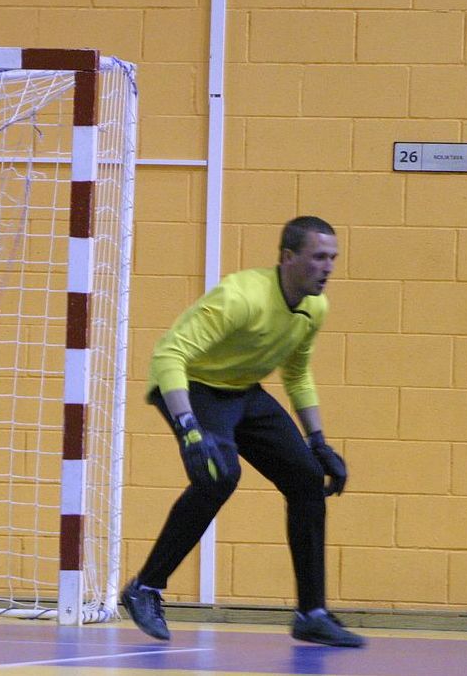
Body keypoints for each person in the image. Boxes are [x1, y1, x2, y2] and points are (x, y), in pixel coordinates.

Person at [121, 216, 365, 648]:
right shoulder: (241, 297)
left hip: (242, 390)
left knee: (307, 479)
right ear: (288, 257)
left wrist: (318, 441)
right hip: (190, 386)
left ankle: (311, 614)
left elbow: (297, 374)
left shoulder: (314, 308)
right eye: (318, 257)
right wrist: (189, 428)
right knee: (219, 475)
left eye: (333, 258)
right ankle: (145, 588)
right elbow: (169, 354)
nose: (328, 267)